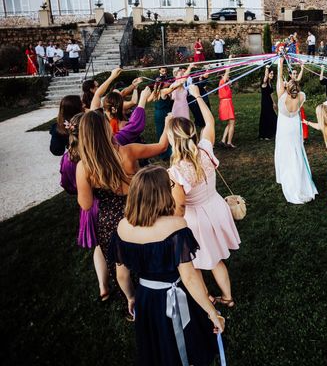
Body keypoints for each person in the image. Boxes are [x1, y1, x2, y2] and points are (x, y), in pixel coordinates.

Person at [108, 166, 224, 366]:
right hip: (177, 297)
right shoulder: (176, 226)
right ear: (161, 194)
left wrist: (131, 297)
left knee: (158, 345)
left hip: (146, 298)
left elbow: (122, 275)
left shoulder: (122, 227)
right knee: (186, 341)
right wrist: (212, 312)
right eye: (170, 185)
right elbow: (189, 278)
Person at [76, 110, 170, 301]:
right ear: (106, 130)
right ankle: (157, 289)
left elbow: (85, 205)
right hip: (138, 211)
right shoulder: (128, 151)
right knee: (146, 251)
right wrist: (167, 123)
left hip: (109, 221)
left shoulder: (84, 167)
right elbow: (162, 146)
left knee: (121, 264)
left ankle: (132, 299)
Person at [168, 85, 241, 308]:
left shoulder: (177, 170)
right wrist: (198, 96)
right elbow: (209, 123)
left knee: (194, 263)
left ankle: (206, 296)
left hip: (196, 219)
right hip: (217, 207)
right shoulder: (205, 149)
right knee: (216, 259)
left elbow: (179, 208)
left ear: (173, 139)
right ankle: (227, 297)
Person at [58, 112, 105, 297]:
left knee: (99, 246)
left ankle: (103, 285)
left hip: (86, 206)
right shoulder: (96, 155)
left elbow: (66, 184)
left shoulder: (67, 159)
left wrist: (78, 191)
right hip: (102, 203)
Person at [274, 58, 317, 204]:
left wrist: (280, 65)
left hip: (284, 127)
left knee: (286, 152)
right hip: (294, 126)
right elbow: (293, 87)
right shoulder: (302, 96)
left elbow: (279, 79)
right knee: (297, 151)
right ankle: (300, 177)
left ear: (287, 87)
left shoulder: (282, 96)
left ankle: (289, 177)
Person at [152, 67, 174, 160]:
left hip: (157, 113)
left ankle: (161, 151)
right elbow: (173, 87)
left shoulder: (156, 92)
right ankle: (167, 153)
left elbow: (148, 99)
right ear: (163, 84)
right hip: (164, 113)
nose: (167, 83)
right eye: (165, 83)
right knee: (167, 131)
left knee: (160, 132)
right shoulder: (164, 91)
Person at [218, 58, 236, 148]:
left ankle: (223, 140)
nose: (228, 76)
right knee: (232, 122)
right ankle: (229, 142)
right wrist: (230, 60)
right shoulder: (222, 81)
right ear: (222, 75)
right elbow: (227, 71)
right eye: (226, 75)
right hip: (226, 104)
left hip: (226, 103)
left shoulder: (225, 84)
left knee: (230, 122)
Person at [259, 66, 278, 140]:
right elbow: (266, 76)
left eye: (273, 74)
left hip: (269, 102)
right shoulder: (264, 83)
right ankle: (265, 135)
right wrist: (267, 68)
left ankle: (265, 134)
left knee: (271, 117)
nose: (272, 75)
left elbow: (271, 94)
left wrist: (274, 103)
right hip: (265, 103)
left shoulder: (270, 83)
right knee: (266, 117)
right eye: (271, 73)